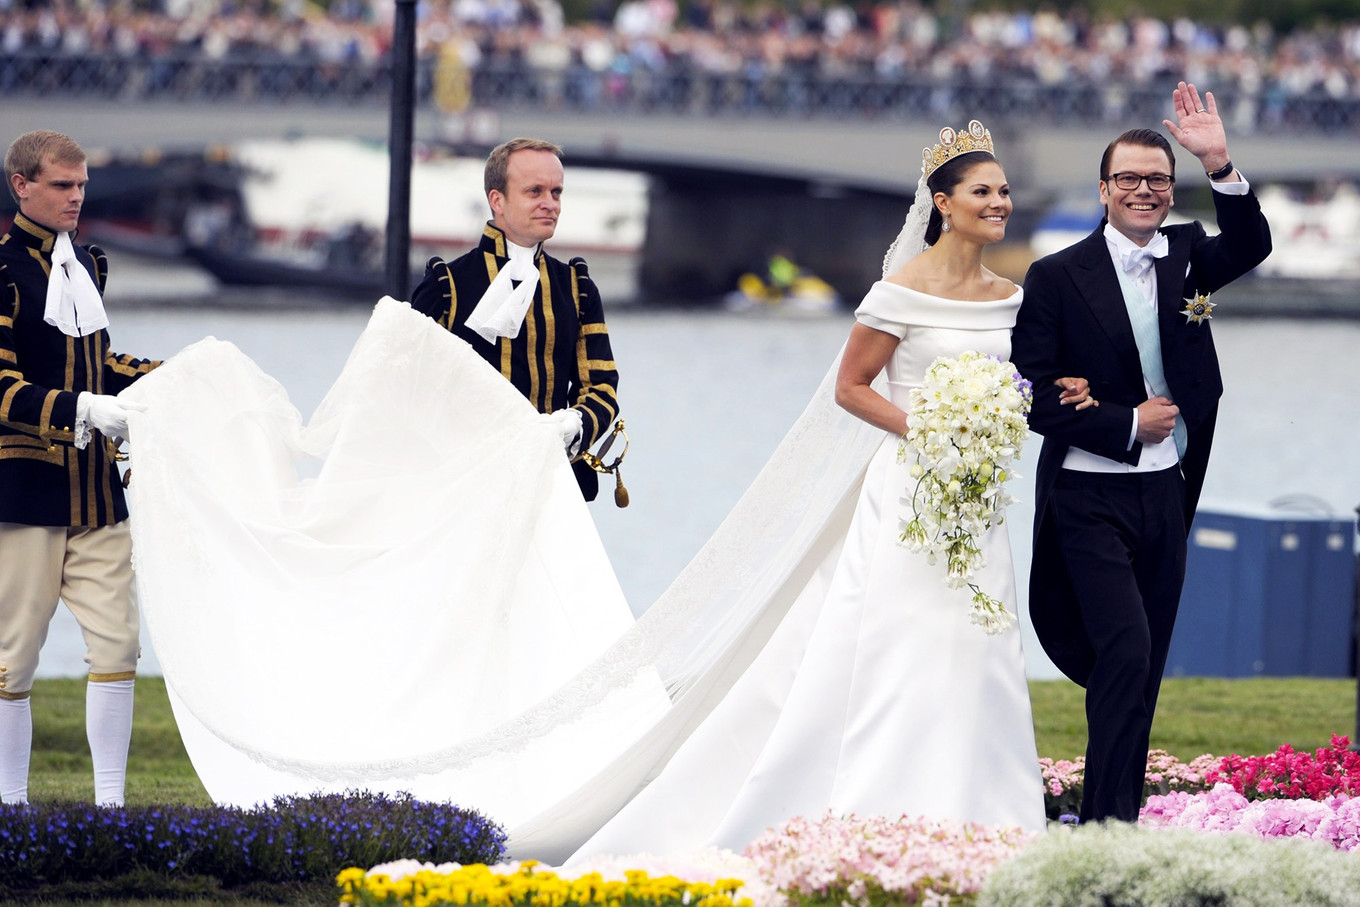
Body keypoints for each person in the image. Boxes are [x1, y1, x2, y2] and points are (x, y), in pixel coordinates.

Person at [558, 120, 1094, 859]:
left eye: (1004, 191)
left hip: (979, 499)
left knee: (978, 642)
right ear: (943, 202)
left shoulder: (1013, 294)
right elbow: (850, 388)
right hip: (910, 486)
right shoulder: (897, 292)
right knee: (904, 641)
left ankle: (987, 815)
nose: (1000, 202)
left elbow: (1025, 379)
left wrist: (1041, 398)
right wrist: (927, 429)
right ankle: (879, 807)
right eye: (983, 191)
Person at [1011, 82, 1272, 823]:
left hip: (1167, 494)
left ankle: (1117, 823)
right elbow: (1033, 397)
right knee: (1122, 650)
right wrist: (1127, 422)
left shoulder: (1187, 254)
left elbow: (1253, 244)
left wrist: (1220, 162)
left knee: (1145, 666)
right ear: (1103, 189)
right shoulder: (1055, 276)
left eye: (1157, 179)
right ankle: (1101, 826)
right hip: (1088, 497)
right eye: (1127, 178)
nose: (1143, 190)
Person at [0, 130, 159, 807]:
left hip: (96, 491)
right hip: (26, 489)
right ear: (21, 186)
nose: (76, 198)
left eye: (82, 185)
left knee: (120, 646)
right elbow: (3, 389)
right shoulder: (4, 273)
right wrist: (82, 407)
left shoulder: (87, 264)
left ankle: (112, 807)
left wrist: (169, 380)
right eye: (63, 186)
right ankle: (8, 804)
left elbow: (100, 366)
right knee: (12, 656)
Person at [411, 137, 619, 501]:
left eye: (556, 192)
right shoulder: (446, 286)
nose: (549, 203)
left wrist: (573, 423)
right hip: (463, 491)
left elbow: (601, 387)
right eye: (535, 191)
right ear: (498, 200)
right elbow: (412, 390)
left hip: (551, 484)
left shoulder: (576, 286)